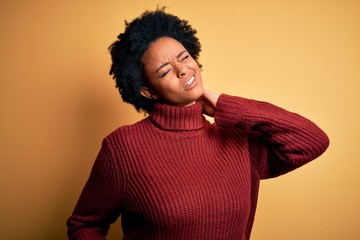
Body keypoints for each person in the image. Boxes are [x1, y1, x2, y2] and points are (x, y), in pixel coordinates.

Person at [66, 8, 329, 240]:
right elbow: (85, 224)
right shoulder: (123, 149)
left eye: (184, 57)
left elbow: (312, 141)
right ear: (148, 91)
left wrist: (226, 106)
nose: (182, 69)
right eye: (165, 71)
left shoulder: (237, 141)